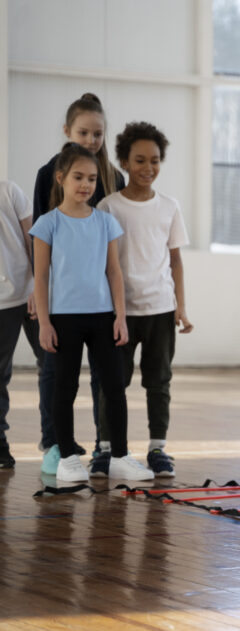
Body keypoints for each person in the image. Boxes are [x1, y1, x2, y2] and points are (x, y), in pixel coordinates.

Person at [30, 143, 153, 483]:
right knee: (64, 389)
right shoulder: (47, 224)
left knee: (114, 388)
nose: (86, 185)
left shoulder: (105, 222)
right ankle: (68, 456)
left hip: (102, 317)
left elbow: (114, 272)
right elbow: (40, 277)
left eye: (92, 179)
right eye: (78, 177)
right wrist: (44, 323)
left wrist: (120, 316)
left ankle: (120, 455)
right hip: (63, 320)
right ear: (61, 178)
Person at [33, 93, 126, 475]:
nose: (91, 139)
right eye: (84, 132)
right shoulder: (47, 174)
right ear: (68, 131)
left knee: (106, 380)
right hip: (61, 303)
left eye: (98, 133)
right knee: (56, 376)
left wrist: (119, 308)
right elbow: (41, 245)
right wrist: (38, 304)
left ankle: (107, 448)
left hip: (100, 303)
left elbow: (111, 254)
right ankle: (57, 444)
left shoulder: (113, 178)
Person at [96, 121, 193, 478]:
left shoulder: (169, 207)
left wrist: (181, 307)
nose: (147, 168)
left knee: (159, 381)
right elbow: (104, 265)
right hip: (119, 312)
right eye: (139, 160)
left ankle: (158, 449)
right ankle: (106, 450)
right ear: (123, 161)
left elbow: (176, 260)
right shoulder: (108, 207)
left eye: (154, 160)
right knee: (113, 382)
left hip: (160, 310)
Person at [0, 180, 43, 468]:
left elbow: (32, 239)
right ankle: (0, 443)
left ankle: (55, 441)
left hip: (29, 293)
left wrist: (39, 287)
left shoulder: (8, 189)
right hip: (1, 303)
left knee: (53, 366)